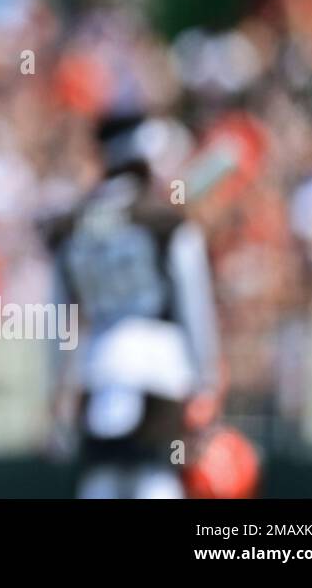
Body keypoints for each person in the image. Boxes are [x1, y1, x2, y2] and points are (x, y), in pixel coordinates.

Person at [47, 113, 222, 498]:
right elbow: (195, 305)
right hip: (161, 365)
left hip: (97, 367)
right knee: (156, 477)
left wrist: (56, 391)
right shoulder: (166, 223)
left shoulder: (71, 225)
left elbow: (58, 320)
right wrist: (207, 379)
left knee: (101, 480)